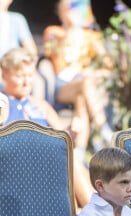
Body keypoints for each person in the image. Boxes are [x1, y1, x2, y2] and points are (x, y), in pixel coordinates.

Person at [0, 47, 94, 208]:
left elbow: (65, 140)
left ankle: (101, 214)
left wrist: (73, 132)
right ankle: (103, 215)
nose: (26, 82)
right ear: (4, 74)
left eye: (30, 75)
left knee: (72, 160)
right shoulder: (3, 104)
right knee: (68, 162)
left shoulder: (41, 106)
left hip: (49, 165)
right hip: (19, 168)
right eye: (19, 76)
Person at [42, 0, 113, 153]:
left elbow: (108, 66)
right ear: (61, 12)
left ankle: (79, 150)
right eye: (69, 9)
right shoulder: (54, 32)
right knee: (85, 85)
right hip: (62, 85)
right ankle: (104, 129)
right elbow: (54, 54)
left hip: (82, 83)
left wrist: (93, 73)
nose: (72, 13)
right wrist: (73, 29)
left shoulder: (92, 37)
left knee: (82, 97)